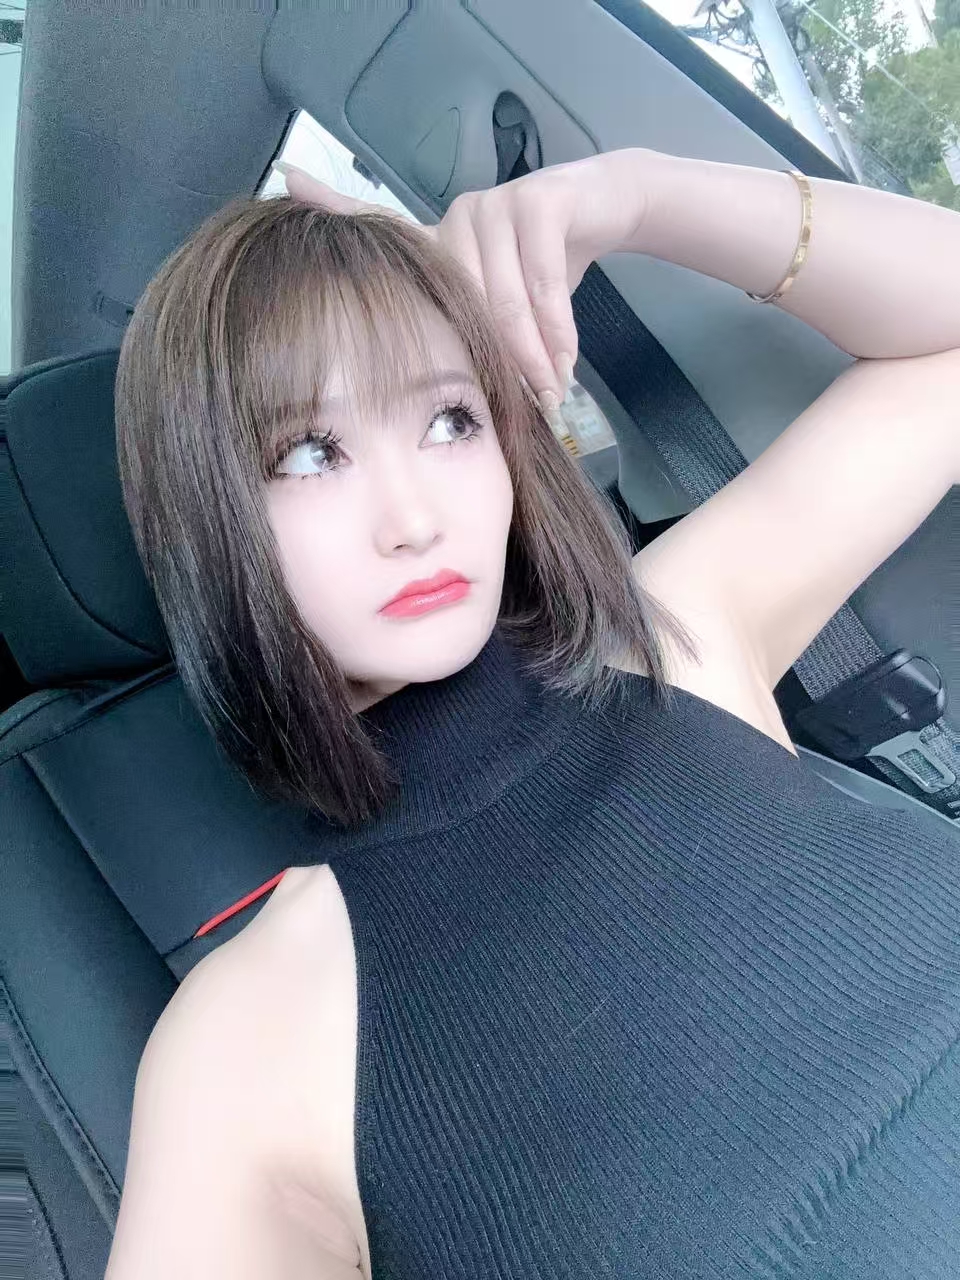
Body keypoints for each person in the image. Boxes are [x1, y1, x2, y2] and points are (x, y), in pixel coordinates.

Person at [104, 147, 960, 1278]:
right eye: (310, 452)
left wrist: (637, 193)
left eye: (449, 419)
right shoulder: (248, 1036)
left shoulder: (672, 640)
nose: (414, 516)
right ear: (203, 514)